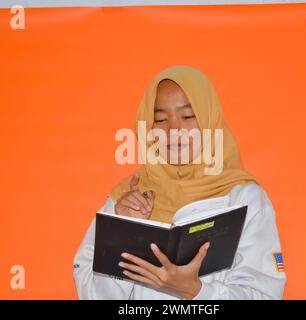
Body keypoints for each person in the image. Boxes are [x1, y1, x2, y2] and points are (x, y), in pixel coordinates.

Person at [73, 65, 286, 299]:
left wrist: (195, 291)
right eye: (160, 119)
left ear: (209, 119)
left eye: (187, 116)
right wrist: (122, 234)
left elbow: (265, 295)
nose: (174, 130)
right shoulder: (126, 200)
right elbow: (92, 294)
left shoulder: (243, 199)